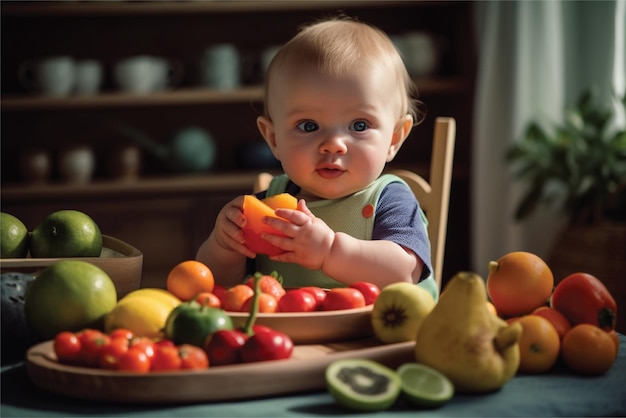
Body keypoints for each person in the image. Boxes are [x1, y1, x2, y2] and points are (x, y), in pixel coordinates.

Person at [196, 17, 438, 300]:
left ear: (394, 138)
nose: (334, 145)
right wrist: (224, 247)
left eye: (359, 125)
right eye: (308, 126)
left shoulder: (391, 200)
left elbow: (404, 272)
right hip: (291, 340)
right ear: (273, 139)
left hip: (377, 337)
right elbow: (215, 284)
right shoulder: (271, 208)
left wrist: (329, 251)